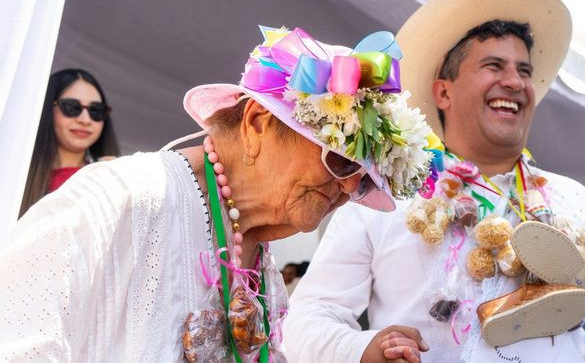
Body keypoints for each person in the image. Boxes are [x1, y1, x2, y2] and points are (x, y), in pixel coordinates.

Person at [0, 26, 432, 362]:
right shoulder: (122, 198)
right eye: (341, 160)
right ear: (257, 124)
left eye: (364, 179)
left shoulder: (259, 263)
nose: (348, 187)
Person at [283, 0, 585, 362]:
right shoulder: (385, 197)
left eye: (524, 70)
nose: (515, 82)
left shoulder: (578, 203)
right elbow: (306, 319)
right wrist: (365, 348)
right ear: (442, 93)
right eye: (493, 66)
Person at [19, 68, 119, 216]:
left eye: (96, 111)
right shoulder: (15, 174)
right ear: (47, 108)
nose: (85, 120)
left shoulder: (113, 176)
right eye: (72, 107)